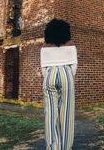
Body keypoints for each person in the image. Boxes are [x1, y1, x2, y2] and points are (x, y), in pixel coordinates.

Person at [41, 18, 77, 150]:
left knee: (50, 113)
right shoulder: (71, 44)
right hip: (66, 73)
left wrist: (50, 76)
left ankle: (53, 147)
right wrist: (67, 76)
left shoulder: (45, 46)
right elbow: (74, 66)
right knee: (66, 113)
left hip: (50, 74)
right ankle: (66, 147)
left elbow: (43, 68)